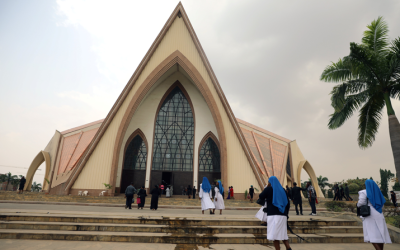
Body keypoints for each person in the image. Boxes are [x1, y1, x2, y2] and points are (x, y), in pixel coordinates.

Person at [259, 176, 292, 250]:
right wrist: (286, 215)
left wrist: (267, 188)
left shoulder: (269, 189)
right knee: (283, 234)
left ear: (270, 182)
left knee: (274, 235)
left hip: (273, 215)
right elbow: (287, 203)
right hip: (283, 215)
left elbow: (261, 196)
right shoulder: (282, 190)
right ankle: (288, 248)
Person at [357, 179, 392, 249]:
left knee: (371, 234)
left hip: (369, 214)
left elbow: (361, 203)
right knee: (380, 234)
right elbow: (382, 204)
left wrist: (357, 205)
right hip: (379, 213)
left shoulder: (364, 192)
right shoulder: (378, 192)